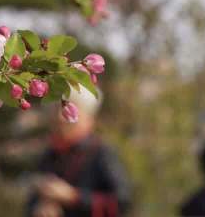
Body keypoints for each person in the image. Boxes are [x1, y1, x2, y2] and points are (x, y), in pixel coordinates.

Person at [26, 88, 132, 217]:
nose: (60, 117)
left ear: (89, 118)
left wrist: (74, 197)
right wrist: (39, 208)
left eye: (68, 109)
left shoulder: (102, 153)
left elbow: (122, 203)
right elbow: (31, 200)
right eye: (56, 109)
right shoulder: (48, 155)